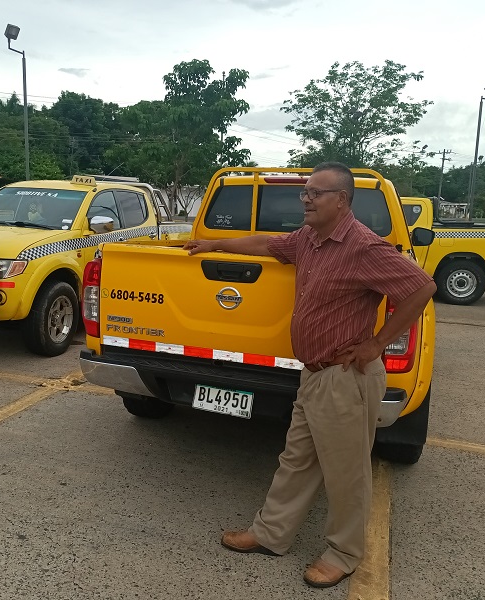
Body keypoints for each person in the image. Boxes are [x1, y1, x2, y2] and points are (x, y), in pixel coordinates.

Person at [183, 162, 436, 589]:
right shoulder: (309, 239)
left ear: (342, 200)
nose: (306, 199)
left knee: (346, 472)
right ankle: (270, 534)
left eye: (316, 193)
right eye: (306, 192)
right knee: (297, 460)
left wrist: (377, 343)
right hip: (315, 375)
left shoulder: (363, 246)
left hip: (345, 377)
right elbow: (265, 243)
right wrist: (213, 242)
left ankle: (344, 554)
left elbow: (422, 287)